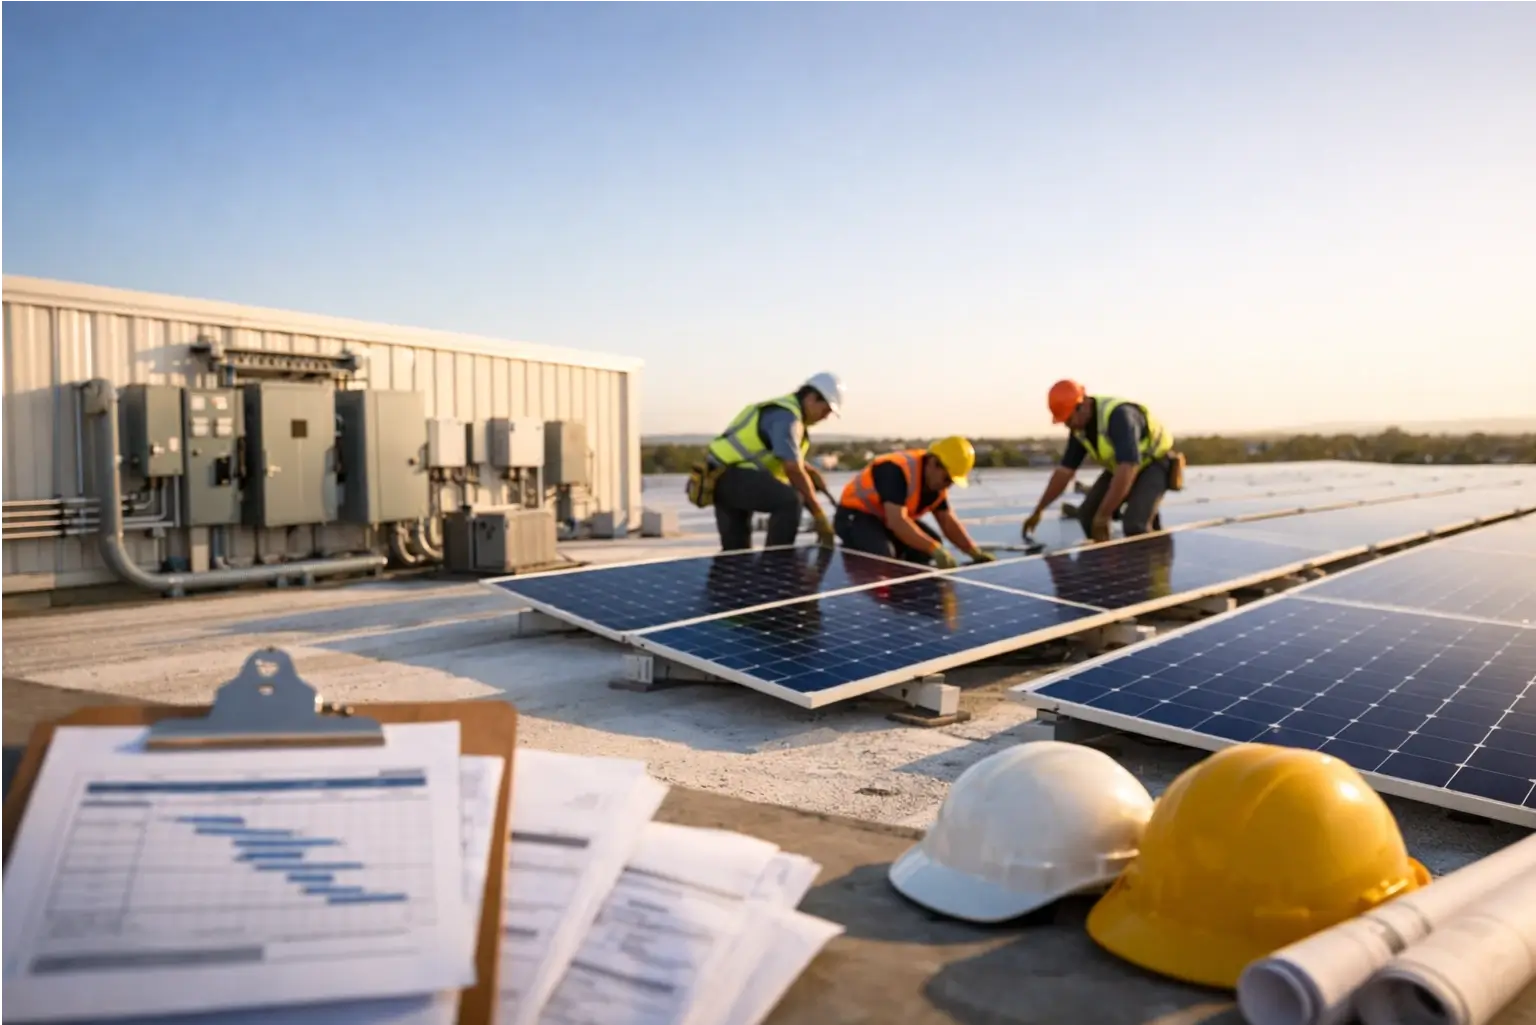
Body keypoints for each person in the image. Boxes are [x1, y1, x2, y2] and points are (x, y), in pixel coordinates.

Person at [1023, 380, 1176, 543]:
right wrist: (1039, 510)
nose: (1069, 426)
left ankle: (1155, 562)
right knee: (1088, 516)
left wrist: (1105, 514)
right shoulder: (1079, 430)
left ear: (1082, 405)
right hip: (1121, 468)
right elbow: (1064, 472)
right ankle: (1108, 564)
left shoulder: (1119, 416)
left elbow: (1128, 466)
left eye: (1069, 420)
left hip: (1154, 464)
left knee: (1135, 526)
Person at [705, 373, 844, 552]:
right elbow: (792, 469)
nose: (825, 417)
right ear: (811, 398)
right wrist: (818, 514)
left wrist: (811, 475)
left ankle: (752, 575)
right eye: (825, 411)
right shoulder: (786, 417)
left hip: (723, 478)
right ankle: (776, 567)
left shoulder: (783, 412)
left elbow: (787, 460)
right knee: (790, 501)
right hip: (734, 477)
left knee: (736, 553)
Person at [835, 436, 995, 569]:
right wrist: (934, 549)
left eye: (952, 481)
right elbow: (897, 521)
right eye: (947, 478)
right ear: (933, 462)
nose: (948, 485)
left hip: (884, 520)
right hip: (853, 517)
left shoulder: (936, 485)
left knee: (927, 547)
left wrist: (973, 551)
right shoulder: (896, 470)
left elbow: (947, 521)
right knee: (883, 556)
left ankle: (903, 579)